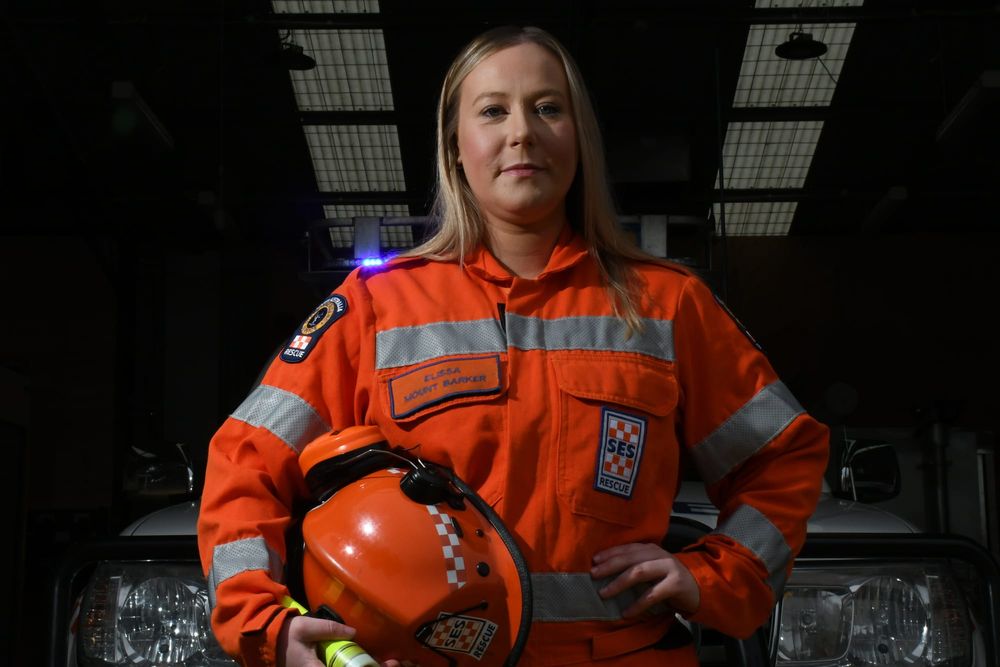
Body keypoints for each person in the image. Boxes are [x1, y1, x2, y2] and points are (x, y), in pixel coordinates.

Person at [198, 25, 829, 667]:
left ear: (578, 136)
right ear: (457, 143)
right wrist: (264, 624)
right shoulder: (374, 307)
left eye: (548, 108)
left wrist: (720, 573)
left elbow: (783, 455)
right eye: (493, 110)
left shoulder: (668, 305)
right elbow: (244, 460)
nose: (522, 131)